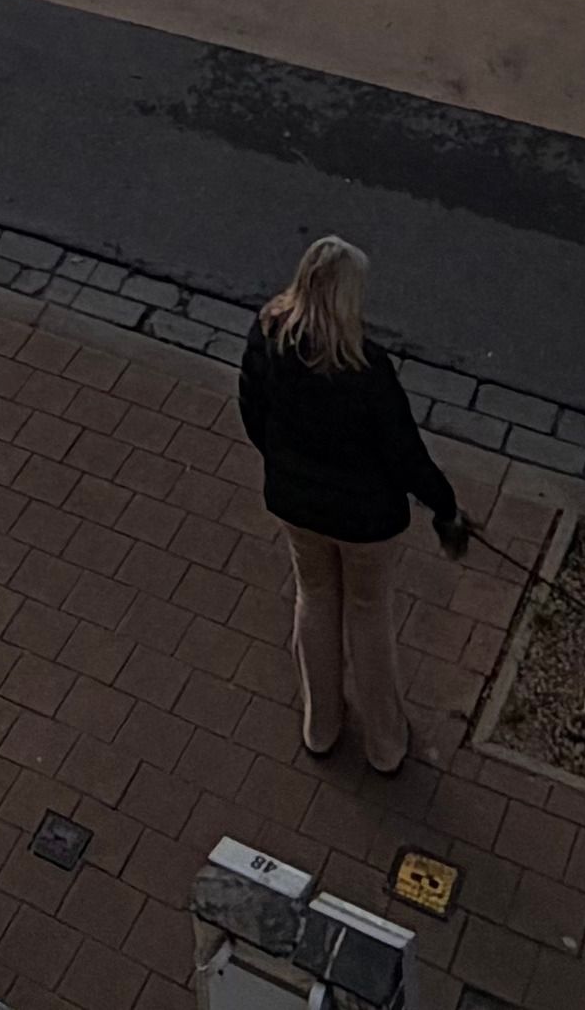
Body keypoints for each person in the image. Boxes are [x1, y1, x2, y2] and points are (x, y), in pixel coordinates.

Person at [236, 233, 471, 772]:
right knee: (369, 615)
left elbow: (252, 411)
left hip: (296, 506)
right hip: (367, 523)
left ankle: (321, 725)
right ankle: (385, 744)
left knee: (314, 597)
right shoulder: (366, 368)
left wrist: (284, 465)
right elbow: (404, 454)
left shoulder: (268, 334)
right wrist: (445, 506)